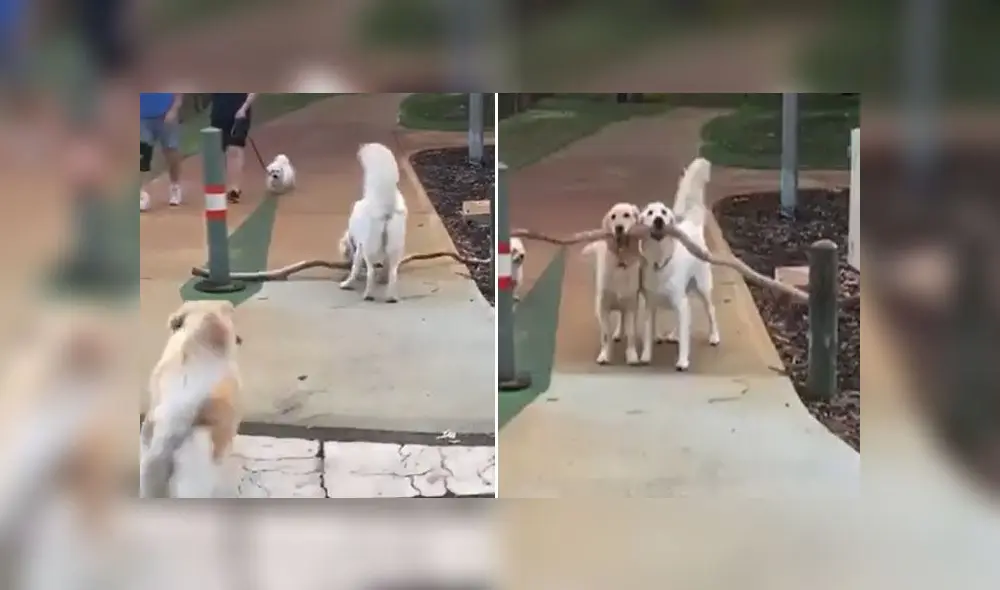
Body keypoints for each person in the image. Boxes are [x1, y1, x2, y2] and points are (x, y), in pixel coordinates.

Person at [209, 93, 256, 203]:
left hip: (240, 111)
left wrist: (245, 107)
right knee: (220, 150)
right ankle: (221, 185)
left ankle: (234, 188)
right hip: (219, 112)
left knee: (234, 148)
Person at [139, 92, 183, 211]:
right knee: (143, 153)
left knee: (171, 151)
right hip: (142, 117)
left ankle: (175, 185)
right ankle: (141, 191)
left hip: (165, 115)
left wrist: (174, 109)